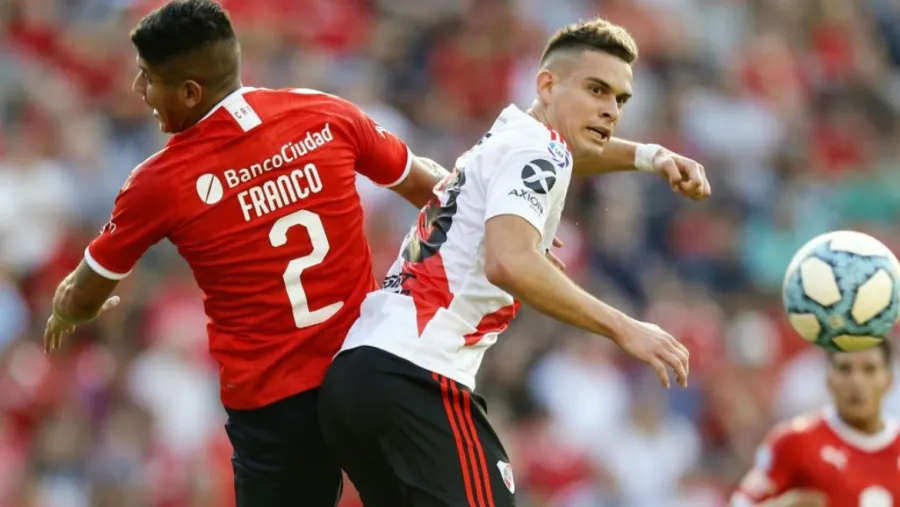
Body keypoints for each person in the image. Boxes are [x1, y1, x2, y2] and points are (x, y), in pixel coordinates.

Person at [42, 1, 708, 505]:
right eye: (599, 92)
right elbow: (437, 189)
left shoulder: (159, 180)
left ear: (188, 91)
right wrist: (615, 315)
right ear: (546, 84)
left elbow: (88, 286)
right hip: (382, 364)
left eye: (147, 78)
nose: (139, 90)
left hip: (291, 400)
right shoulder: (322, 114)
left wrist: (69, 312)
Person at [318, 18, 707, 507]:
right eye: (596, 89)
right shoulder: (539, 150)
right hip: (416, 374)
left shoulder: (508, 136)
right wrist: (623, 326)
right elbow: (509, 262)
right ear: (546, 84)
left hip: (358, 373)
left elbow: (559, 170)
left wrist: (650, 156)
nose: (610, 109)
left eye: (620, 99)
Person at [730, 342, 900, 507]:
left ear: (889, 379)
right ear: (828, 378)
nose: (856, 382)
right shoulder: (794, 442)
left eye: (869, 369)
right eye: (844, 369)